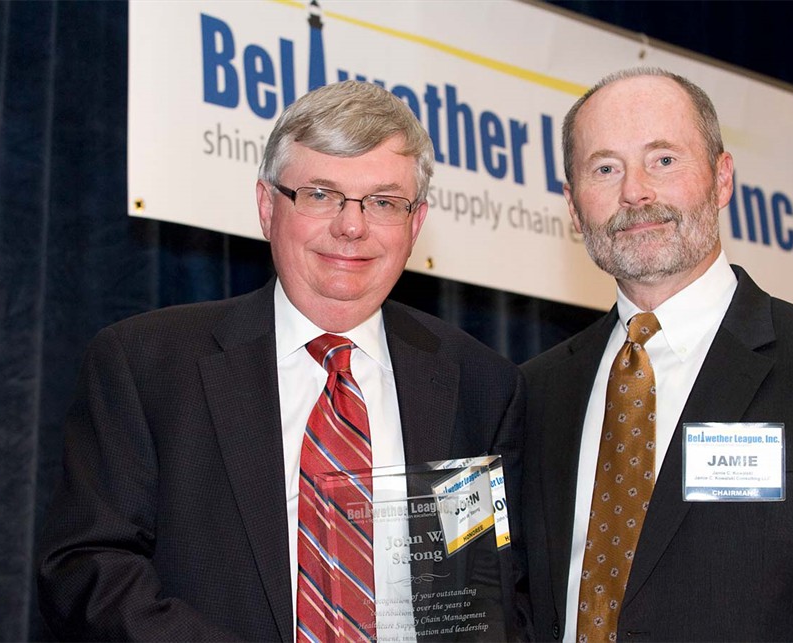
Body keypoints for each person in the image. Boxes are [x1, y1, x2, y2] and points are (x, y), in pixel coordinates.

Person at [37, 80, 525, 642]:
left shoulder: (481, 385)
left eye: (384, 202)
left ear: (416, 224)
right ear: (268, 207)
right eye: (321, 194)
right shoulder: (145, 364)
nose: (351, 226)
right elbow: (87, 569)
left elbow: (497, 596)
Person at [520, 67, 793, 642]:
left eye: (663, 160)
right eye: (605, 168)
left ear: (722, 180)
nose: (636, 191)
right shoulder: (537, 392)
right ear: (572, 206)